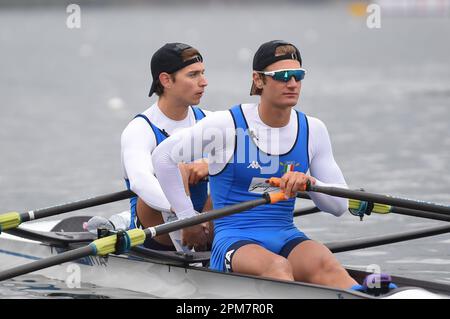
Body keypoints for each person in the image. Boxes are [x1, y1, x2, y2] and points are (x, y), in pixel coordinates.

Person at [151, 40, 360, 290]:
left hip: (285, 234)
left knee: (328, 266)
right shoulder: (226, 125)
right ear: (259, 80)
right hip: (233, 239)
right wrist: (187, 218)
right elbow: (163, 158)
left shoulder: (313, 129)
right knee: (278, 268)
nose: (292, 83)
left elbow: (339, 207)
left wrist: (311, 184)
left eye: (298, 75)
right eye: (282, 76)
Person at [114, 42, 212, 252]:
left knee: (233, 168)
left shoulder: (210, 122)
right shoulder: (140, 129)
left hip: (203, 222)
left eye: (203, 73)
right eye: (193, 75)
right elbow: (141, 181)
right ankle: (190, 247)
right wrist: (186, 216)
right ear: (166, 80)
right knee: (177, 168)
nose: (204, 82)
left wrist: (211, 164)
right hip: (154, 231)